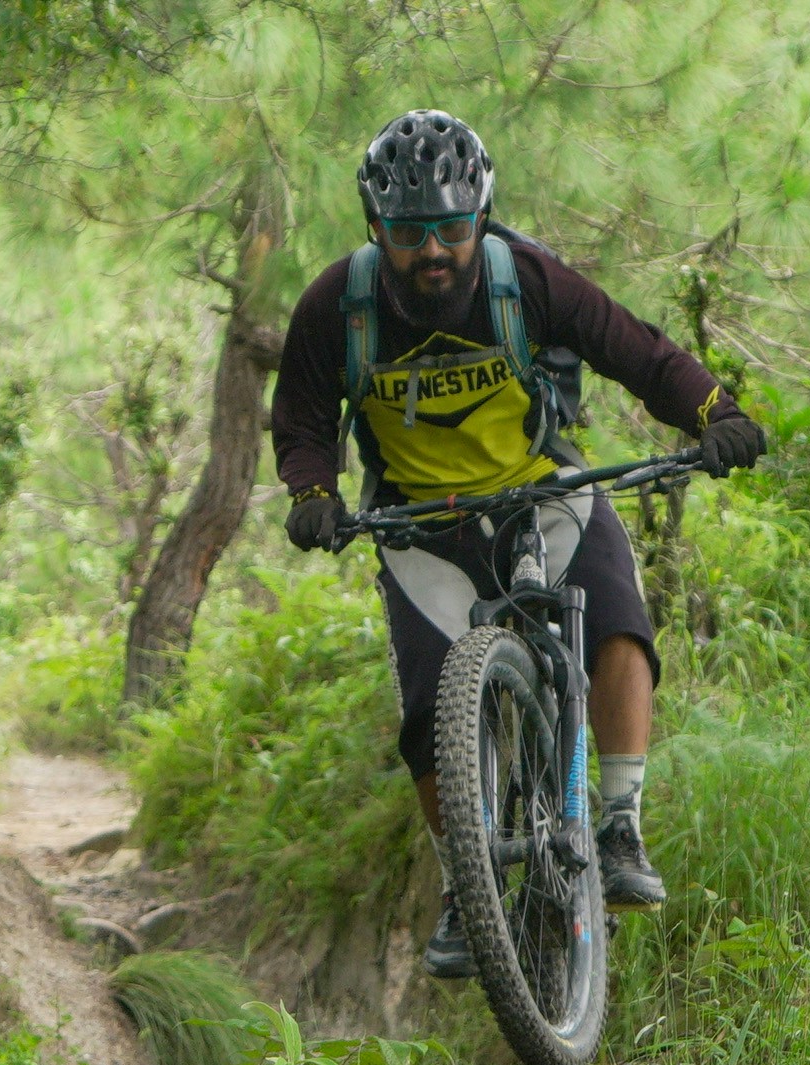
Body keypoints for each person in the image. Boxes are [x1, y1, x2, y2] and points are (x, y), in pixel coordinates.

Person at [270, 108, 768, 973]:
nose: (433, 251)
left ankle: (617, 824)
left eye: (453, 227)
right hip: (417, 524)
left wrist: (713, 414)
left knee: (615, 621)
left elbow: (634, 351)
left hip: (542, 496)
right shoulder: (336, 306)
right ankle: (467, 883)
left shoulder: (523, 278)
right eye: (409, 232)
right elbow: (302, 417)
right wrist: (312, 493)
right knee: (430, 712)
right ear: (375, 229)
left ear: (481, 216)